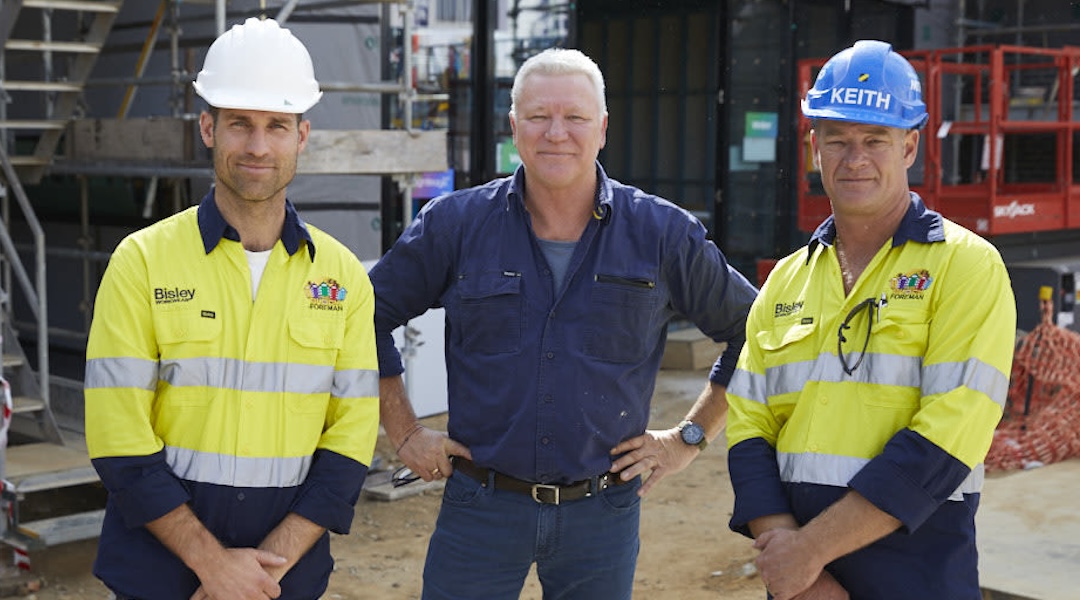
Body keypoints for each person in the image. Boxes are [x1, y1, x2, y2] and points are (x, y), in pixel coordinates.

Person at [369, 48, 757, 599]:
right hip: (481, 508)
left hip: (602, 515)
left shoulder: (662, 234)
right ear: (514, 127)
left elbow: (757, 330)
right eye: (538, 116)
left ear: (602, 129)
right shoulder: (455, 226)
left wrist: (690, 436)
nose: (556, 133)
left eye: (575, 118)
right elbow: (365, 314)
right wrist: (404, 430)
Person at [83, 17, 378, 600]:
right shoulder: (141, 261)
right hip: (161, 573)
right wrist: (214, 567)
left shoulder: (342, 276)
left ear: (303, 135)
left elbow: (350, 440)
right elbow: (118, 437)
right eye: (240, 123)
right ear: (208, 128)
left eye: (277, 125)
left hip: (282, 577)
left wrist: (265, 567)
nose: (258, 145)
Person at [725, 40, 1016, 600]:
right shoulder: (785, 279)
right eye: (837, 139)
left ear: (909, 146)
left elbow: (951, 435)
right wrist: (795, 563)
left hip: (917, 569)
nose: (854, 158)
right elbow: (747, 427)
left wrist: (810, 551)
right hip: (800, 576)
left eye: (875, 140)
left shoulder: (966, 266)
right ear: (814, 148)